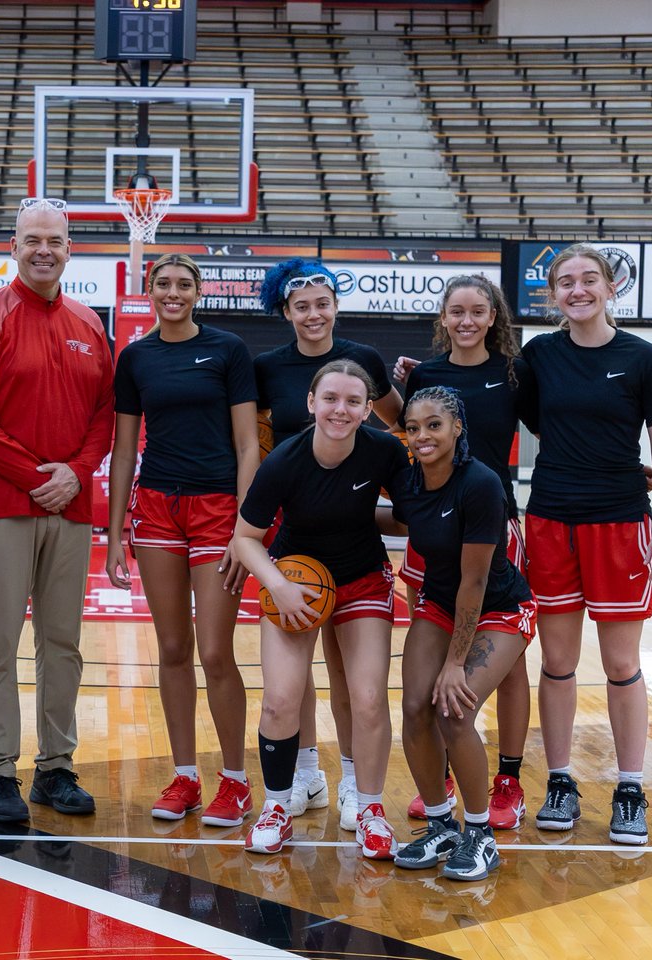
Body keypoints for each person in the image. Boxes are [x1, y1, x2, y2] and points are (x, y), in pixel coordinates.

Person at [0, 197, 114, 823]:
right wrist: (36, 477)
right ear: (13, 246)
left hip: (69, 504)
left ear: (70, 247)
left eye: (55, 239)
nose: (44, 249)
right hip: (0, 505)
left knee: (62, 642)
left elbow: (105, 413)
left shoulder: (87, 323)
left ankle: (55, 768)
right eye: (32, 240)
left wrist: (74, 473)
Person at [518, 243, 652, 845]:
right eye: (565, 282)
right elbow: (530, 421)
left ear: (611, 287)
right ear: (553, 293)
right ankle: (561, 780)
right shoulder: (539, 356)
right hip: (553, 518)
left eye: (589, 279)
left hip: (620, 521)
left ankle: (629, 786)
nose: (577, 290)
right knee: (557, 662)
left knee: (621, 663)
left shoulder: (645, 358)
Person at [105, 253, 259, 826]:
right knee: (172, 649)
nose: (173, 292)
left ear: (198, 292)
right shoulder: (136, 357)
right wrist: (117, 531)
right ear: (149, 289)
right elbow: (125, 449)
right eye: (163, 283)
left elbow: (248, 446)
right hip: (157, 510)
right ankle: (187, 776)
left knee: (216, 652)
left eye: (183, 284)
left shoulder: (227, 350)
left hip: (218, 509)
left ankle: (237, 782)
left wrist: (245, 528)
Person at [234, 360, 408, 860]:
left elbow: (407, 514)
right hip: (295, 578)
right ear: (311, 403)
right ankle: (276, 808)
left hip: (362, 578)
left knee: (370, 697)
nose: (341, 409)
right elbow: (245, 539)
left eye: (353, 401)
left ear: (368, 410)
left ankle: (372, 811)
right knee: (279, 700)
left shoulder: (383, 452)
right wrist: (276, 585)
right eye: (330, 398)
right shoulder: (284, 460)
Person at [253, 259, 403, 831]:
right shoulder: (267, 371)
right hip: (295, 547)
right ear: (285, 311)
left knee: (357, 688)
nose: (314, 314)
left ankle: (356, 791)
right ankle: (300, 778)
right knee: (286, 689)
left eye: (323, 302)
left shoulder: (364, 368)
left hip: (358, 550)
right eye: (302, 305)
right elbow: (253, 444)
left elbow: (405, 424)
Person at [394, 276, 533, 830]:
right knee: (427, 679)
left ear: (494, 316)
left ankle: (508, 780)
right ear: (444, 318)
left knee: (509, 664)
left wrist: (625, 471)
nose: (468, 320)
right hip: (436, 525)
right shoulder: (425, 377)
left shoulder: (516, 374)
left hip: (495, 523)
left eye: (479, 311)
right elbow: (413, 433)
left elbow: (565, 426)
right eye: (457, 311)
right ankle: (446, 779)